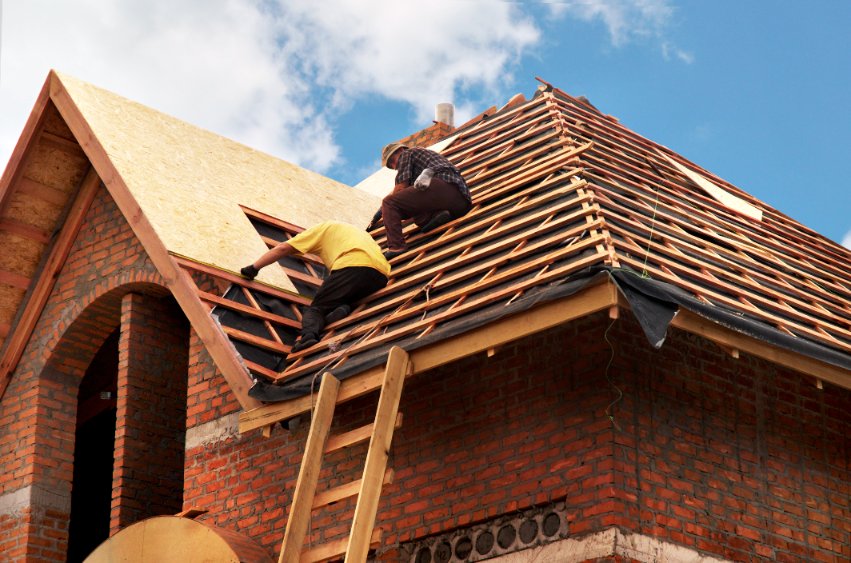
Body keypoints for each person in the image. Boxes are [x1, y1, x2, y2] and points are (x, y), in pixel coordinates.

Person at [240, 221, 390, 353]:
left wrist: (253, 268)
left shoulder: (320, 230)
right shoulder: (353, 233)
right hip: (381, 275)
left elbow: (283, 249)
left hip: (353, 265)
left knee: (315, 309)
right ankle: (340, 310)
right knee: (339, 297)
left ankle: (308, 337)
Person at [379, 142, 472, 259]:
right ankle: (439, 215)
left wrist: (384, 209)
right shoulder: (421, 158)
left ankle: (396, 247)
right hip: (461, 202)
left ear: (401, 150)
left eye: (392, 160)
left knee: (389, 203)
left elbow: (400, 188)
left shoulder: (407, 154)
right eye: (391, 165)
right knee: (417, 216)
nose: (394, 166)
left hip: (441, 186)